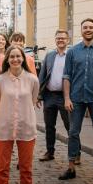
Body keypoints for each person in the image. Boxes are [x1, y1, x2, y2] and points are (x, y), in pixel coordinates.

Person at [60, 18, 93, 183]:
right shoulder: (73, 51)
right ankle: (71, 167)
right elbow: (67, 75)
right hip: (76, 98)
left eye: (91, 27)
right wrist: (67, 98)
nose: (88, 29)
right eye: (85, 27)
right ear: (80, 30)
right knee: (73, 132)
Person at [0, 46, 39, 184]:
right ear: (7, 60)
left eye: (18, 56)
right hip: (5, 127)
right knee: (3, 168)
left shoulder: (32, 79)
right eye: (12, 57)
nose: (15, 59)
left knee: (26, 169)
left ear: (23, 59)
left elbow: (33, 100)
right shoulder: (0, 80)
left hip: (26, 128)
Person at [37, 30, 71, 161]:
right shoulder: (50, 55)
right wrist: (39, 95)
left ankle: (76, 153)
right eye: (58, 38)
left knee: (70, 125)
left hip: (66, 96)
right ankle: (49, 152)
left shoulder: (71, 55)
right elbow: (43, 75)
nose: (60, 40)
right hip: (50, 96)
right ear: (55, 40)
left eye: (63, 38)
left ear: (68, 40)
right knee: (49, 126)